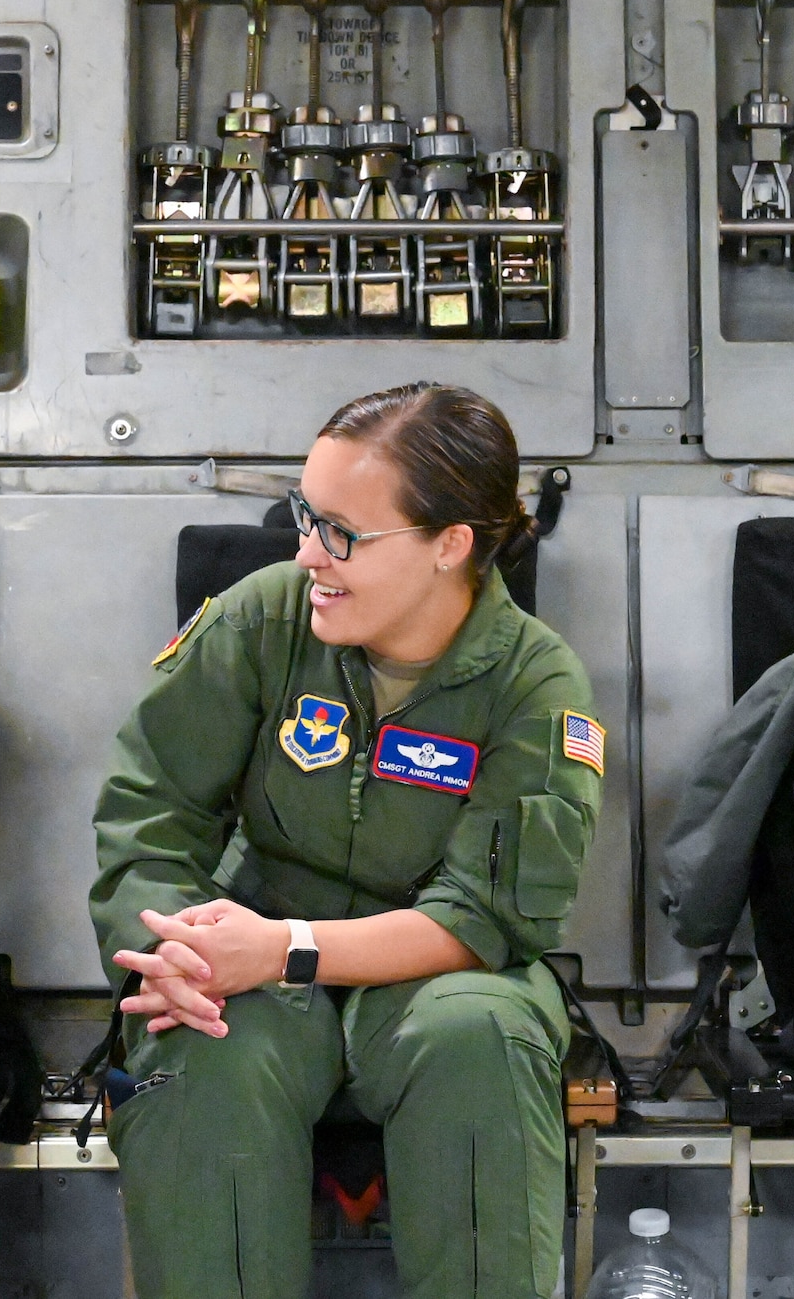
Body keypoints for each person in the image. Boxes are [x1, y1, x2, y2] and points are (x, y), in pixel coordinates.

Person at [90, 382, 605, 1299]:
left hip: (441, 972)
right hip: (256, 945)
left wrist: (282, 951)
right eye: (305, 517)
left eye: (342, 533)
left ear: (451, 544)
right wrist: (173, 949)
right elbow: (151, 812)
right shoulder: (263, 620)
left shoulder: (537, 683)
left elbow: (481, 917)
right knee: (198, 1035)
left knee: (479, 1037)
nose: (306, 554)